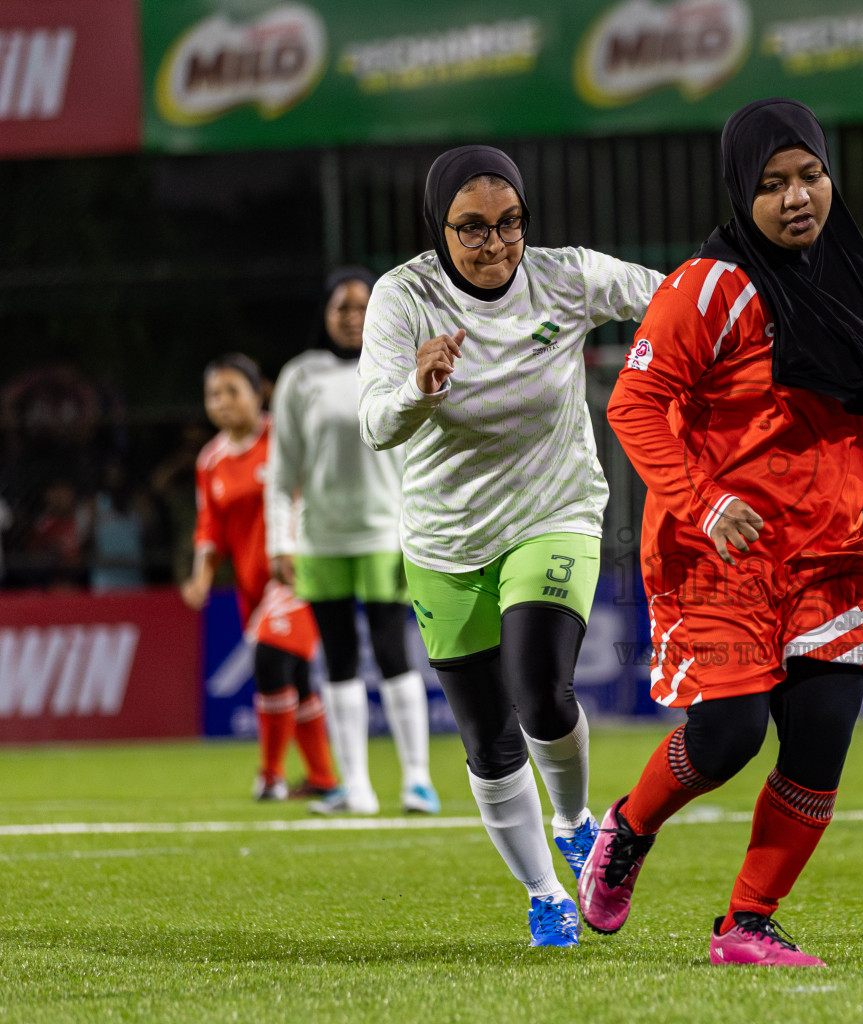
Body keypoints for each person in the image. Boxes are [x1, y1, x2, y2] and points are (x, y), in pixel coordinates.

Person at [578, 98, 863, 966]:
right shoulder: (706, 287)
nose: (797, 197)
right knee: (729, 735)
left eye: (811, 175)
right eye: (772, 184)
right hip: (715, 553)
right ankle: (629, 830)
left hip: (831, 555)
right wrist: (705, 502)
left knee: (821, 741)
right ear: (740, 192)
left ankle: (746, 925)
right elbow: (633, 404)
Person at [358, 145, 665, 947]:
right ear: (439, 227)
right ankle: (543, 893)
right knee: (488, 738)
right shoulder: (402, 296)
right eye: (472, 228)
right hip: (445, 539)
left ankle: (575, 821)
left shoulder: (566, 276)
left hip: (553, 511)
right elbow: (375, 425)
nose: (494, 244)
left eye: (509, 223)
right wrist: (417, 387)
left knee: (540, 688)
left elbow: (675, 301)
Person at [267, 268, 439, 816]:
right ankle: (357, 788)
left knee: (392, 652)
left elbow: (422, 456)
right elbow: (281, 469)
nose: (352, 317)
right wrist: (279, 542)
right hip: (320, 540)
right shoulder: (301, 376)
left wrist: (422, 528)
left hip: (386, 533)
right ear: (325, 314)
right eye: (341, 307)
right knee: (338, 658)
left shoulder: (397, 366)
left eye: (362, 306)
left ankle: (417, 781)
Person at [182, 354, 339, 803]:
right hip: (251, 586)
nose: (222, 401)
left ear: (259, 394)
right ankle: (323, 778)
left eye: (233, 391)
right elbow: (209, 528)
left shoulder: (285, 438)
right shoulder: (210, 460)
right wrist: (200, 577)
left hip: (298, 572)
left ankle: (270, 776)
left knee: (270, 660)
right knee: (297, 675)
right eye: (214, 394)